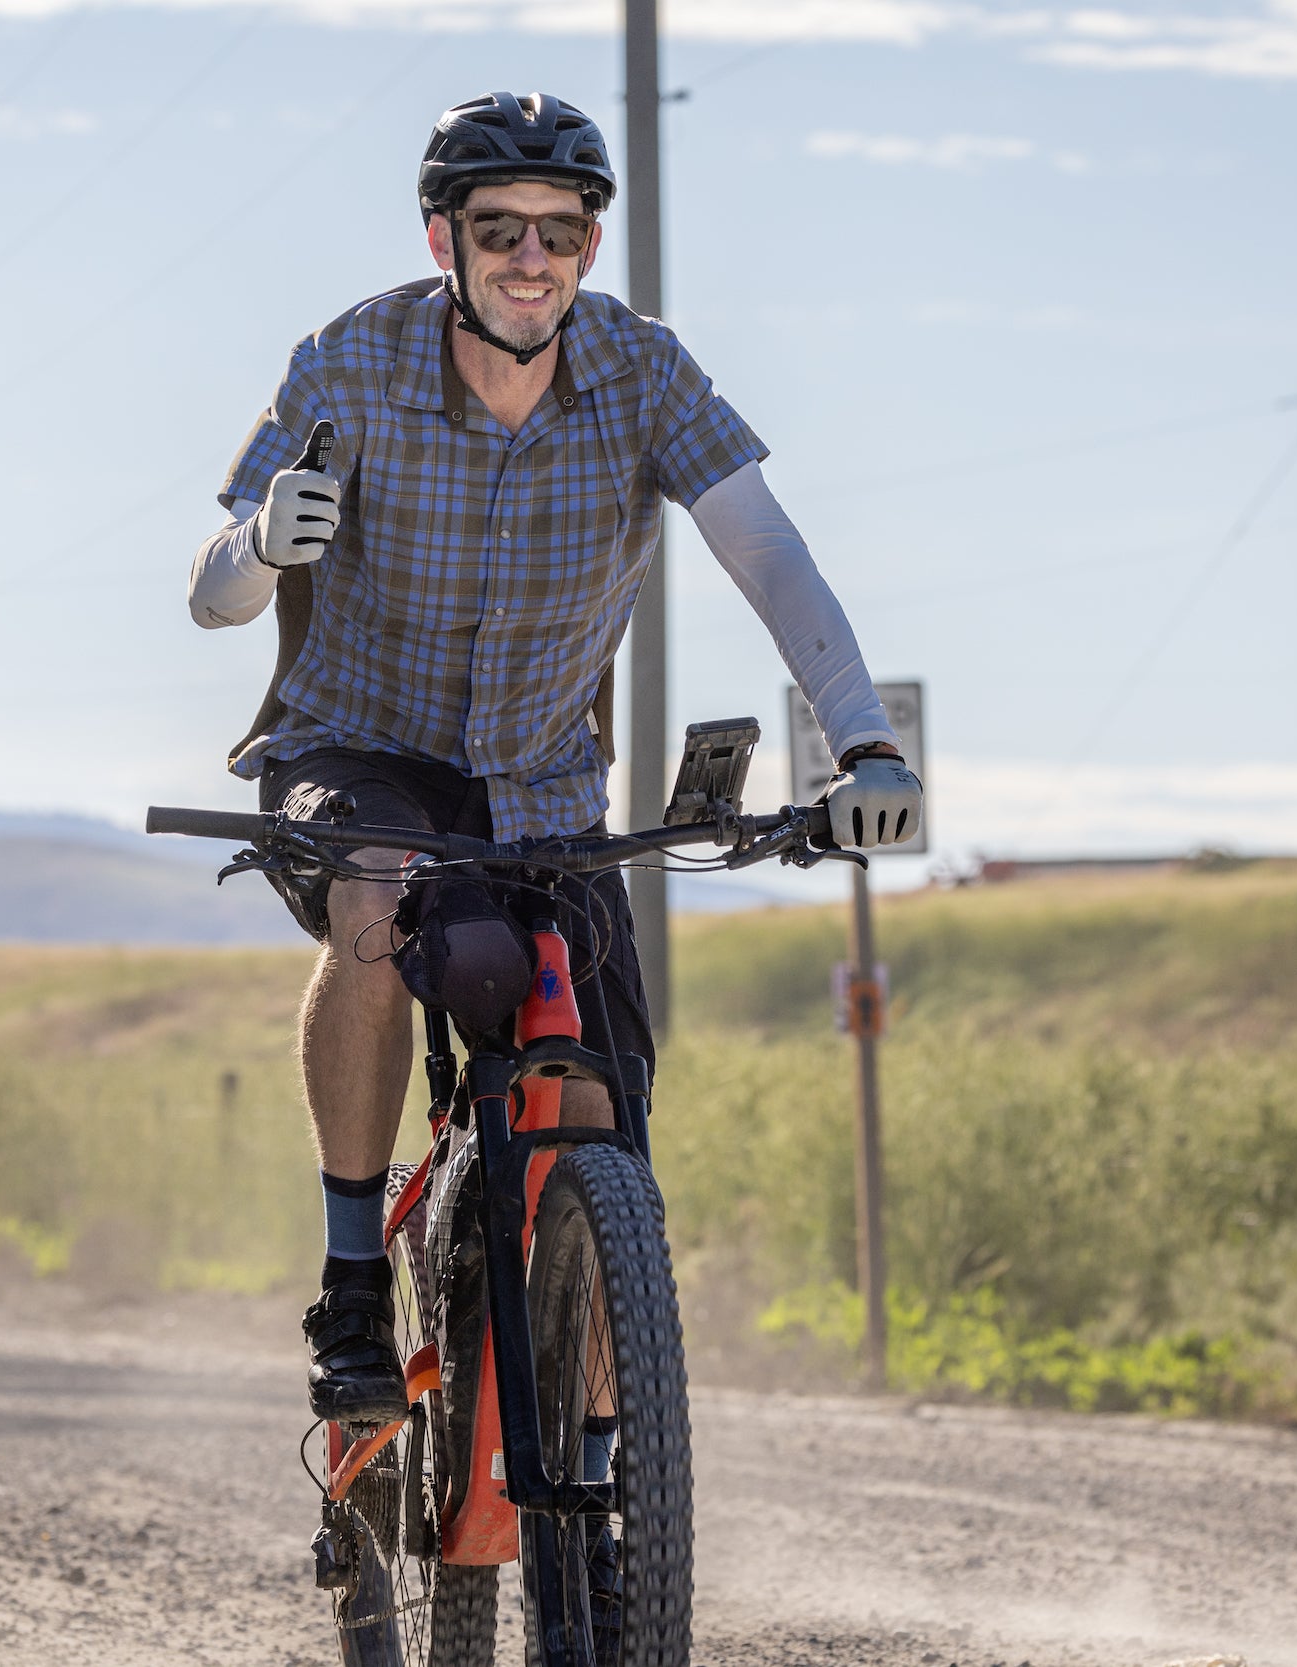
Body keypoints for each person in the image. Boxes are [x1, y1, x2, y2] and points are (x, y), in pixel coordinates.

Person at [187, 91, 923, 1425]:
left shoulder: (643, 372)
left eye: (563, 232)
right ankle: (354, 1287)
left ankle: (603, 1471)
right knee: (374, 890)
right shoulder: (347, 363)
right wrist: (262, 546)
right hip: (356, 747)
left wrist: (863, 742)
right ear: (443, 241)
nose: (534, 259)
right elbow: (212, 592)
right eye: (500, 230)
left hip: (539, 786)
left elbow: (767, 552)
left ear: (590, 244)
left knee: (594, 1106)